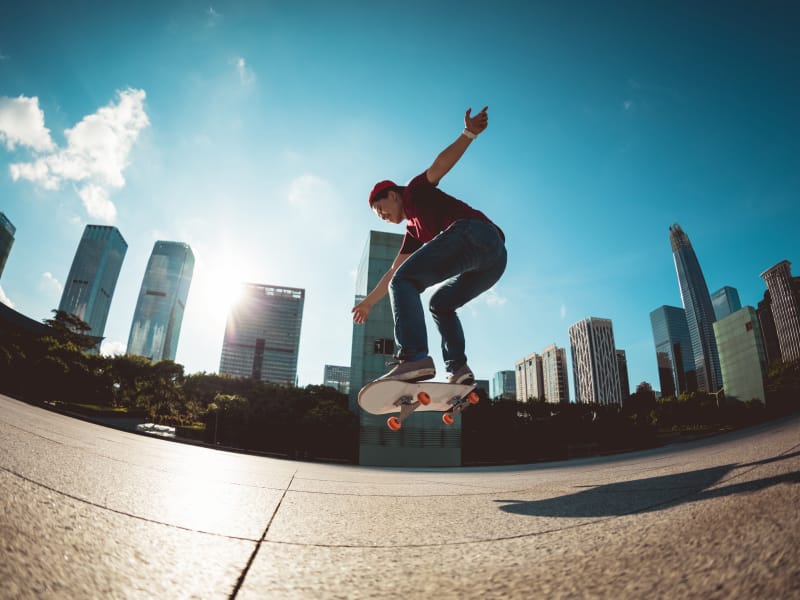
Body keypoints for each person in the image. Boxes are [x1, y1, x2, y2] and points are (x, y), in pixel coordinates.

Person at [352, 106, 507, 384]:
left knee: (405, 281)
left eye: (380, 209)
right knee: (440, 304)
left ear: (392, 195)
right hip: (493, 262)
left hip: (474, 233)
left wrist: (468, 133)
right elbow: (392, 274)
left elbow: (439, 166)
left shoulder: (414, 192)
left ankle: (413, 357)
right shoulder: (412, 232)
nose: (384, 218)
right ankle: (459, 369)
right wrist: (368, 304)